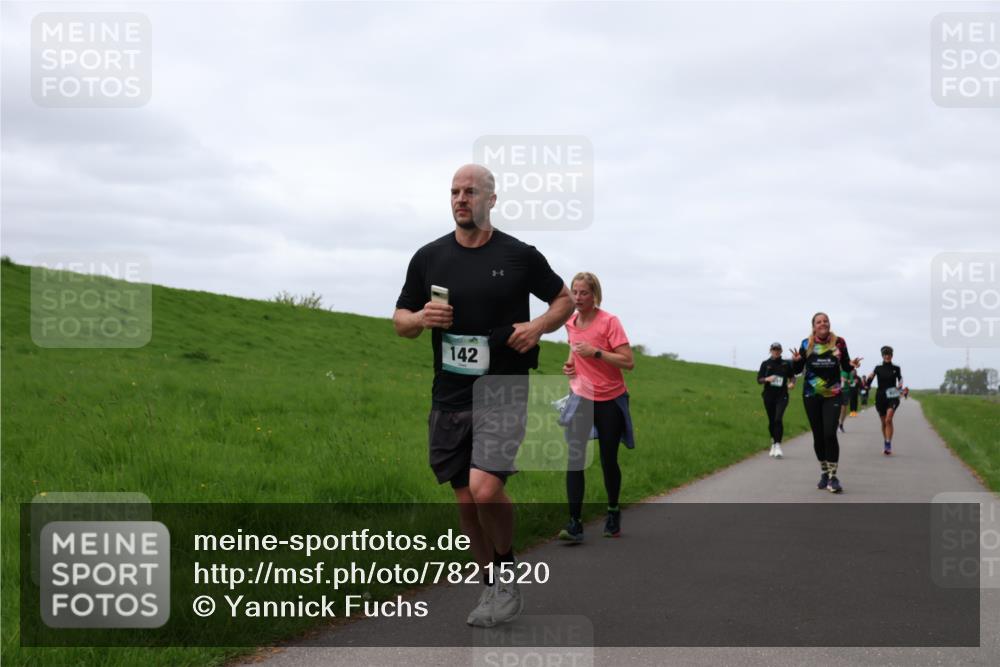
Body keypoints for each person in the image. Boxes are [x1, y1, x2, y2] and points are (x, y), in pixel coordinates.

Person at [393, 164, 573, 627]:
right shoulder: (429, 257)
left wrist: (537, 327)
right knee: (466, 503)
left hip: (504, 387)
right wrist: (421, 319)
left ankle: (508, 575)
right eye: (455, 191)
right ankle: (491, 585)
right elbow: (400, 321)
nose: (461, 198)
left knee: (485, 488)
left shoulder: (519, 256)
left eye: (470, 191)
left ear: (491, 199)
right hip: (450, 393)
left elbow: (564, 301)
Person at [557, 272, 635, 542]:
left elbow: (628, 362)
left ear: (595, 295)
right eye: (574, 292)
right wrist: (570, 365)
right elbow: (574, 349)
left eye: (584, 293)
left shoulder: (609, 322)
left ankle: (612, 512)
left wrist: (597, 353)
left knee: (608, 459)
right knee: (575, 459)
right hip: (581, 397)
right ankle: (574, 523)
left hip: (610, 399)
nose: (578, 297)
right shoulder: (570, 322)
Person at [790, 312, 862, 494]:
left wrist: (852, 364)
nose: (823, 323)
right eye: (819, 322)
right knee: (818, 436)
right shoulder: (806, 344)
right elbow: (797, 370)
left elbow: (845, 365)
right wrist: (796, 361)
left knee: (830, 433)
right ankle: (824, 472)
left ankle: (833, 477)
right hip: (811, 395)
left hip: (833, 394)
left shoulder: (839, 342)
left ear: (829, 324)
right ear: (814, 326)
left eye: (826, 321)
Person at [757, 342, 795, 459]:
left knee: (778, 418)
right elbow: (759, 380)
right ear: (770, 350)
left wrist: (792, 383)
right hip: (769, 396)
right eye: (774, 349)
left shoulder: (786, 364)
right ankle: (773, 442)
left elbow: (792, 376)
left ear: (781, 351)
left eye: (778, 349)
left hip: (782, 395)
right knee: (772, 420)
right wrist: (767, 379)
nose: (776, 351)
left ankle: (778, 445)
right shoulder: (765, 364)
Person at [865, 346, 904, 456]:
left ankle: (888, 444)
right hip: (880, 396)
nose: (887, 356)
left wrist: (900, 385)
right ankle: (886, 441)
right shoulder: (878, 368)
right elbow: (869, 380)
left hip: (893, 394)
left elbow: (900, 379)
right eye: (885, 354)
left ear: (892, 355)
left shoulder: (896, 368)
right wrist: (867, 381)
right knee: (883, 422)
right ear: (882, 356)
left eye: (889, 354)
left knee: (888, 419)